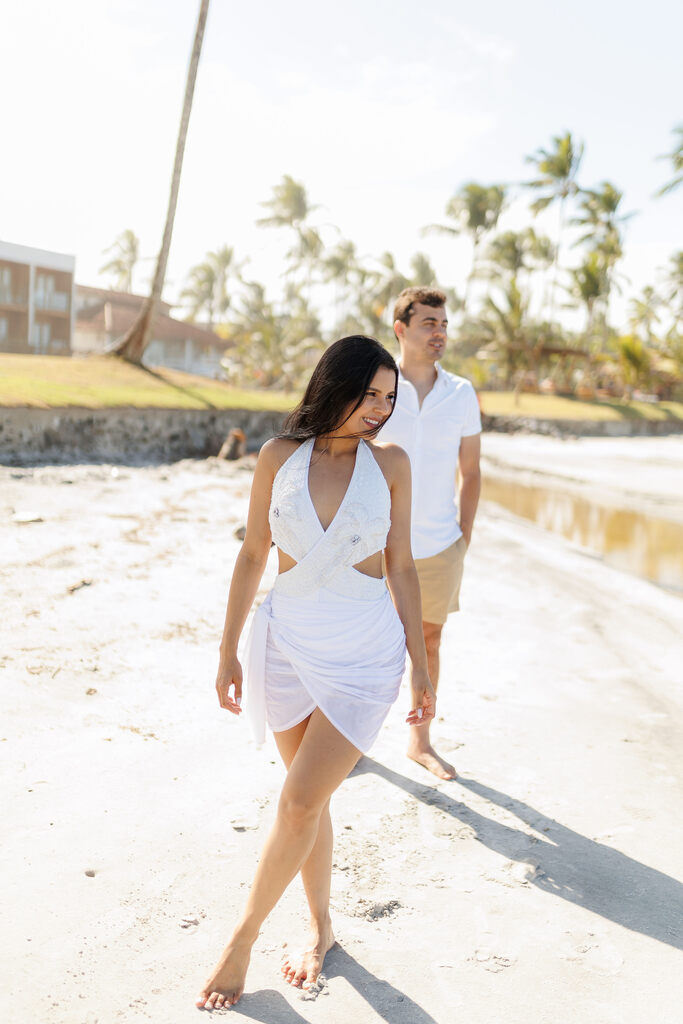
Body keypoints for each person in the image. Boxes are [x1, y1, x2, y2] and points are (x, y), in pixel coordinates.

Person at [196, 335, 435, 1010]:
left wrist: (420, 665)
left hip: (364, 653)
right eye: (371, 396)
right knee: (311, 800)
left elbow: (403, 567)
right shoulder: (278, 456)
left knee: (298, 802)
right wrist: (226, 652)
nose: (381, 411)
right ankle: (320, 925)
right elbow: (251, 555)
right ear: (336, 385)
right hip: (284, 647)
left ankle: (241, 940)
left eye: (390, 400)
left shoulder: (390, 465)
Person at [379, 287, 481, 782]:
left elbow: (473, 471)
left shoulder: (461, 392)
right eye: (429, 324)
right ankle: (344, 738)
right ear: (401, 329)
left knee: (430, 642)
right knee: (362, 640)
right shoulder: (376, 386)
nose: (440, 332)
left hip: (440, 545)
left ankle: (420, 741)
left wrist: (464, 536)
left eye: (443, 324)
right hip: (375, 542)